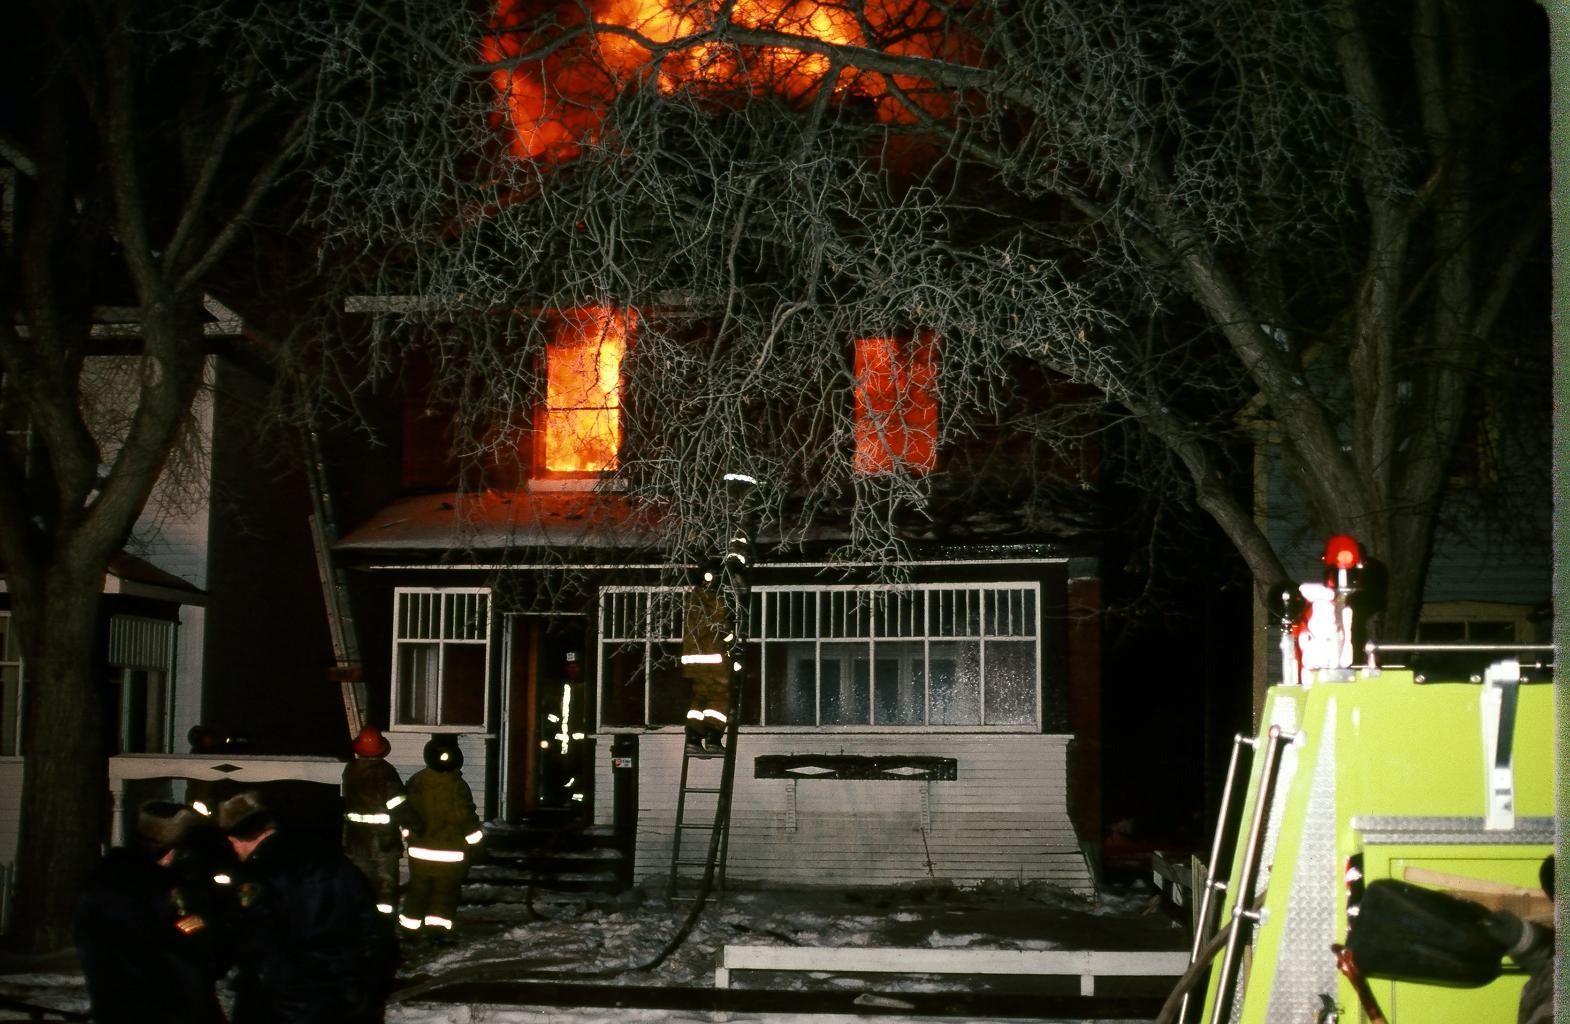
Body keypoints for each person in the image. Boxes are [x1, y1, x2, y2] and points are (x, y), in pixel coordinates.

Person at [217, 789, 398, 1024]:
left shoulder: (261, 874)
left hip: (293, 1003)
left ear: (234, 839)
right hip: (345, 994)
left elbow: (258, 942)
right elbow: (374, 929)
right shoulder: (332, 858)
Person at [75, 801, 232, 1024]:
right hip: (167, 1010)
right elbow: (199, 948)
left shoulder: (102, 879)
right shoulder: (168, 892)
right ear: (172, 851)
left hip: (113, 1007)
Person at [398, 735, 483, 942]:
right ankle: (436, 931)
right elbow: (465, 816)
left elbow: (406, 811)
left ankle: (410, 929)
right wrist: (477, 843)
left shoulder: (417, 780)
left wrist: (410, 835)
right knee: (444, 892)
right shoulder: (456, 784)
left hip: (419, 852)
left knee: (418, 890)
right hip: (450, 854)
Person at [342, 724, 407, 916]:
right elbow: (397, 804)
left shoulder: (350, 770)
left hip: (356, 840)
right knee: (385, 887)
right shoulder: (385, 772)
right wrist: (414, 825)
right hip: (383, 841)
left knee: (359, 885)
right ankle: (383, 924)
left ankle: (360, 923)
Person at [681, 568, 733, 755]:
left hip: (694, 660)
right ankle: (713, 738)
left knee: (700, 697)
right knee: (719, 697)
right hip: (713, 658)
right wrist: (732, 637)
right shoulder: (712, 599)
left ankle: (693, 739)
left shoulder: (692, 599)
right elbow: (720, 627)